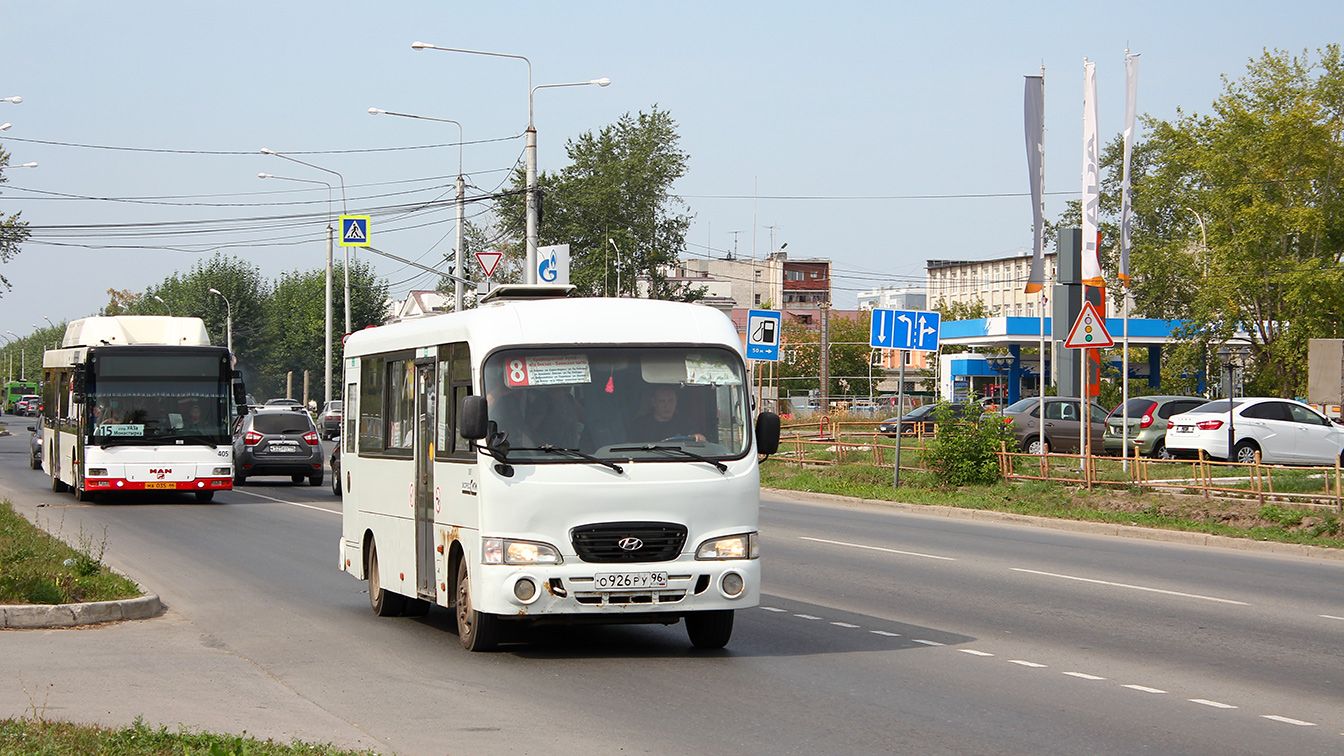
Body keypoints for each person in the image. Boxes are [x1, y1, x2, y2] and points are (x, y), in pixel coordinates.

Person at [632, 385, 705, 443]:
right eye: (662, 401)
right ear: (653, 402)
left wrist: (699, 437)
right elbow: (629, 447)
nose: (667, 406)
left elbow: (700, 441)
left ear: (676, 401)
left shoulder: (685, 423)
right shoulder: (640, 425)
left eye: (671, 401)